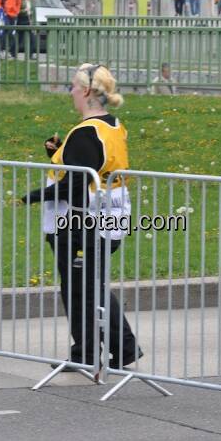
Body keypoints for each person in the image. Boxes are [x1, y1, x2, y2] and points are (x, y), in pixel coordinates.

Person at [22, 64, 142, 371]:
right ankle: (112, 350)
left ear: (86, 91)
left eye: (73, 87)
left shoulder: (85, 132)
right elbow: (92, 164)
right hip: (109, 216)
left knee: (80, 288)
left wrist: (35, 196)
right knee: (91, 285)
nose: (71, 92)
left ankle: (94, 353)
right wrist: (59, 151)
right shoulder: (113, 125)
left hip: (80, 224)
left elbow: (75, 183)